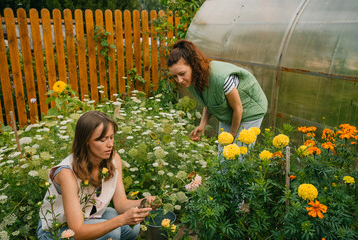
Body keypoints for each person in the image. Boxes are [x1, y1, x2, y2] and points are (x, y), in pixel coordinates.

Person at [37, 111, 159, 240]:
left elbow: (121, 204)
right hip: (56, 231)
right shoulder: (67, 173)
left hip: (87, 215)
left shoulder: (113, 159)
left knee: (131, 228)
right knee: (113, 232)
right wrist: (121, 220)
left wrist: (144, 203)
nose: (110, 144)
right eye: (102, 140)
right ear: (86, 142)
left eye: (111, 137)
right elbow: (77, 231)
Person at [167, 39, 268, 148]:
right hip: (230, 113)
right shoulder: (192, 80)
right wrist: (202, 126)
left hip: (250, 109)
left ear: (193, 65)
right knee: (223, 157)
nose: (179, 80)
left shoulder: (220, 78)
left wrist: (232, 136)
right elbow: (210, 101)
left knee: (239, 155)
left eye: (182, 74)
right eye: (175, 76)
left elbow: (238, 108)